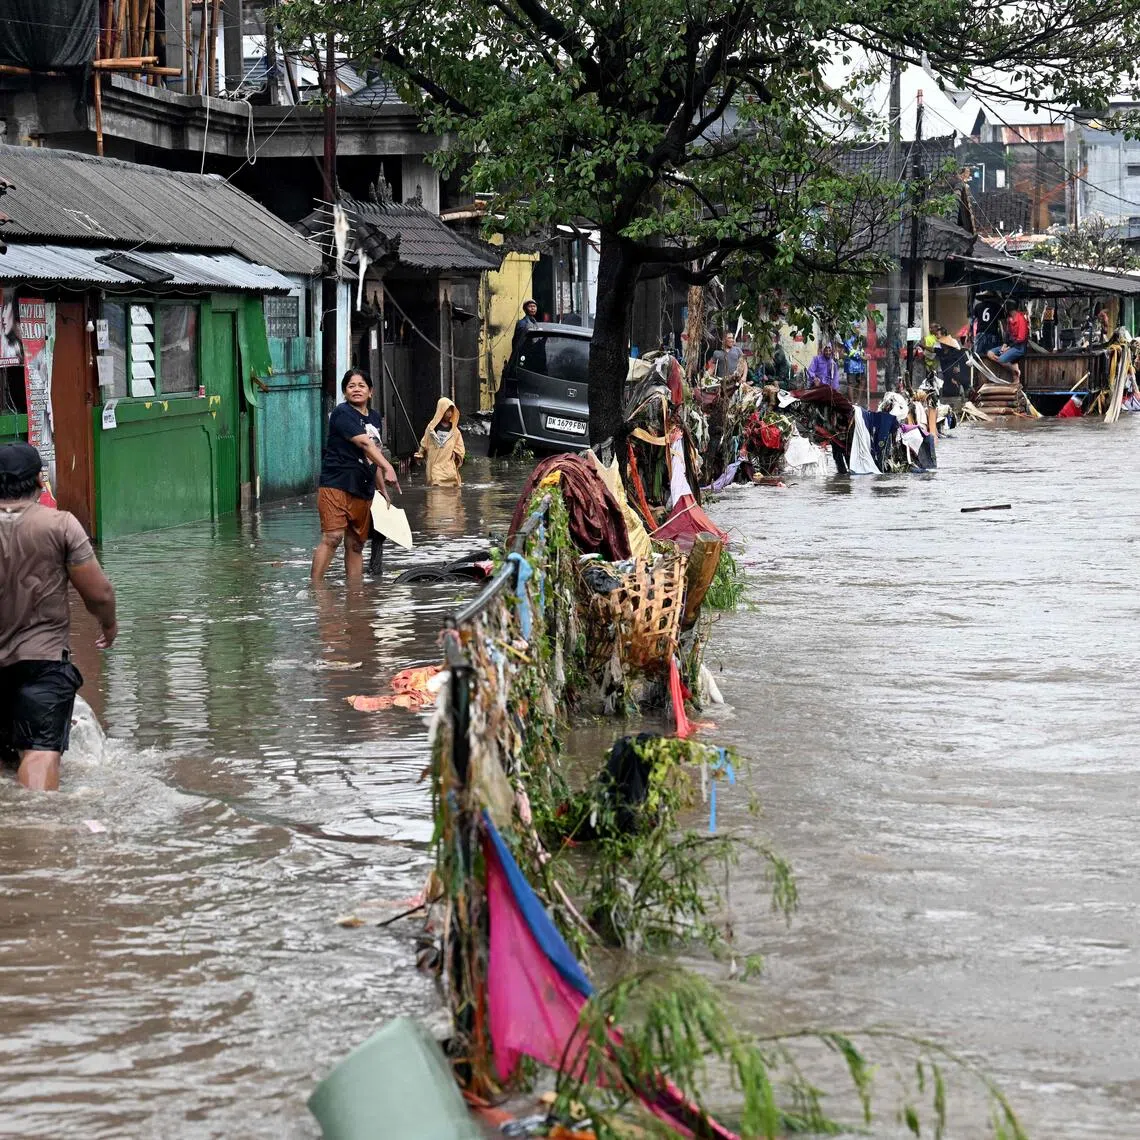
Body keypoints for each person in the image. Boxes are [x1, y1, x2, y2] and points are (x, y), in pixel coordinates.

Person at [0, 442, 117, 791]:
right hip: (43, 663)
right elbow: (99, 594)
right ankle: (39, 832)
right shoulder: (61, 525)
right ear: (40, 480)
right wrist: (108, 624)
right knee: (39, 752)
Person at [311, 368, 401, 583]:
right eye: (351, 386)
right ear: (345, 392)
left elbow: (373, 455)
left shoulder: (375, 417)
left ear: (371, 391)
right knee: (333, 537)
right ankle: (315, 589)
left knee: (356, 544)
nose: (356, 389)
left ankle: (355, 594)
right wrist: (389, 466)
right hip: (336, 483)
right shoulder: (342, 413)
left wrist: (382, 490)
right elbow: (364, 443)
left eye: (361, 386)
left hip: (363, 487)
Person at [418, 396, 466, 487]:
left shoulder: (454, 430)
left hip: (448, 466)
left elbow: (460, 447)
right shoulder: (432, 428)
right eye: (447, 411)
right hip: (435, 463)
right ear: (441, 411)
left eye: (451, 411)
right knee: (436, 486)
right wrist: (420, 454)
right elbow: (425, 442)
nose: (450, 413)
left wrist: (455, 454)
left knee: (450, 493)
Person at [987, 303, 1030, 384]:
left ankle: (1015, 373)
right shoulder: (1009, 319)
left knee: (1001, 359)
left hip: (1019, 347)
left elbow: (1021, 339)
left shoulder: (1021, 319)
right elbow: (1007, 335)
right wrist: (1004, 345)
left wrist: (1008, 348)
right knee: (990, 353)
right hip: (1010, 346)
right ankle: (1014, 369)